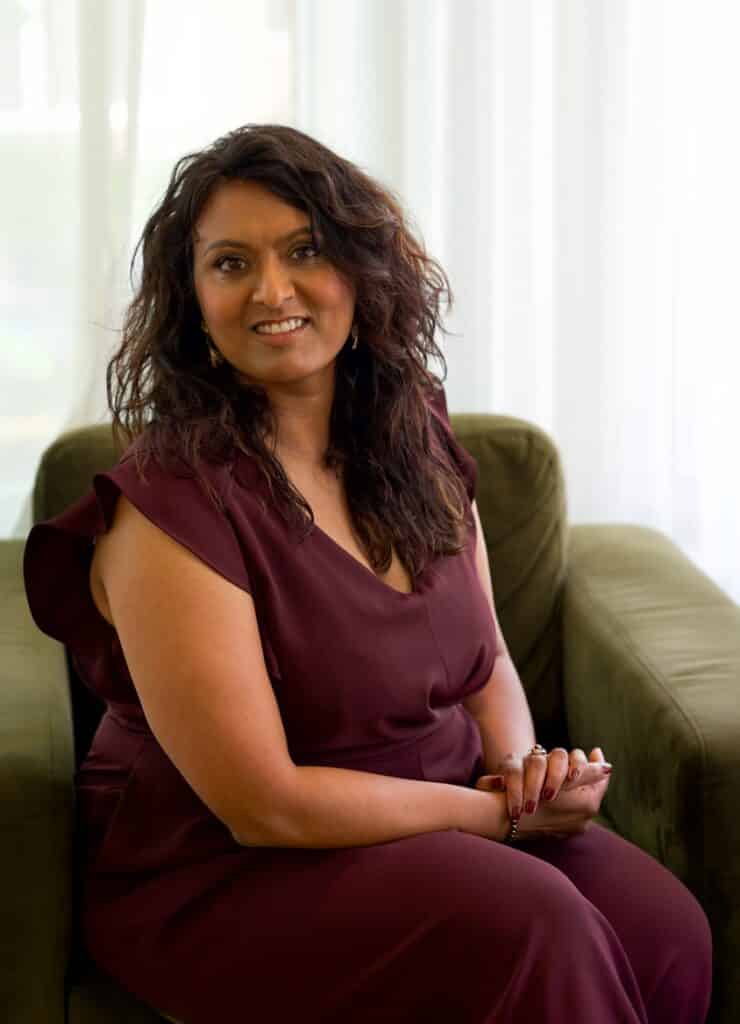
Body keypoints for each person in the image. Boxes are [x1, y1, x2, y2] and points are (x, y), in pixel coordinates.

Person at [23, 123, 712, 1024]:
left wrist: (526, 779)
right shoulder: (169, 506)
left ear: (360, 268)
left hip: (446, 812)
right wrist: (494, 819)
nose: (272, 290)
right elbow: (262, 804)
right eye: (230, 264)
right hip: (230, 866)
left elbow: (488, 664)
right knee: (537, 927)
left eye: (304, 250)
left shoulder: (415, 439)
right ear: (192, 300)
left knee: (666, 929)